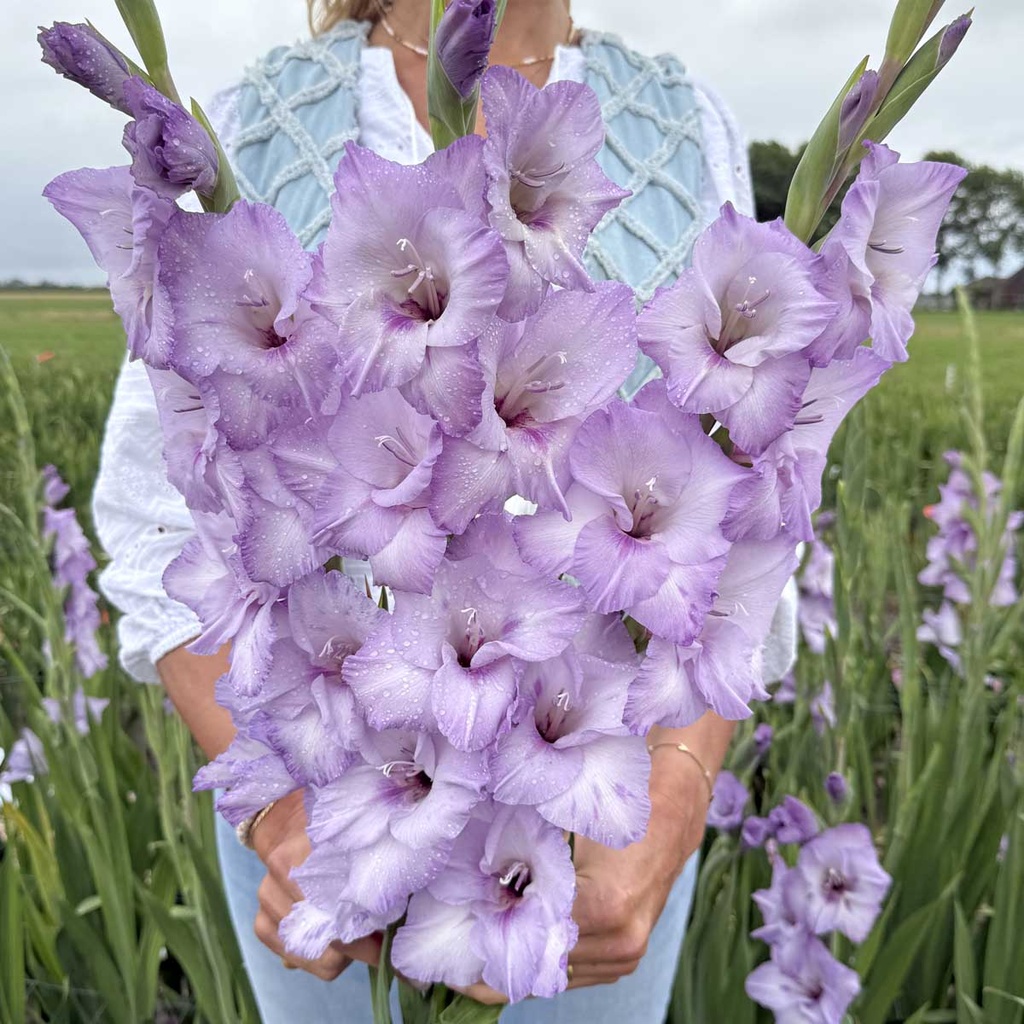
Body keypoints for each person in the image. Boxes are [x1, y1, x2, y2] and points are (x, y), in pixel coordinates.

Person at [92, 0, 798, 1020]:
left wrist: (676, 799)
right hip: (336, 846)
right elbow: (163, 513)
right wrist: (294, 821)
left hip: (600, 856)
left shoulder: (683, 120)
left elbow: (744, 532)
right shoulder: (248, 124)